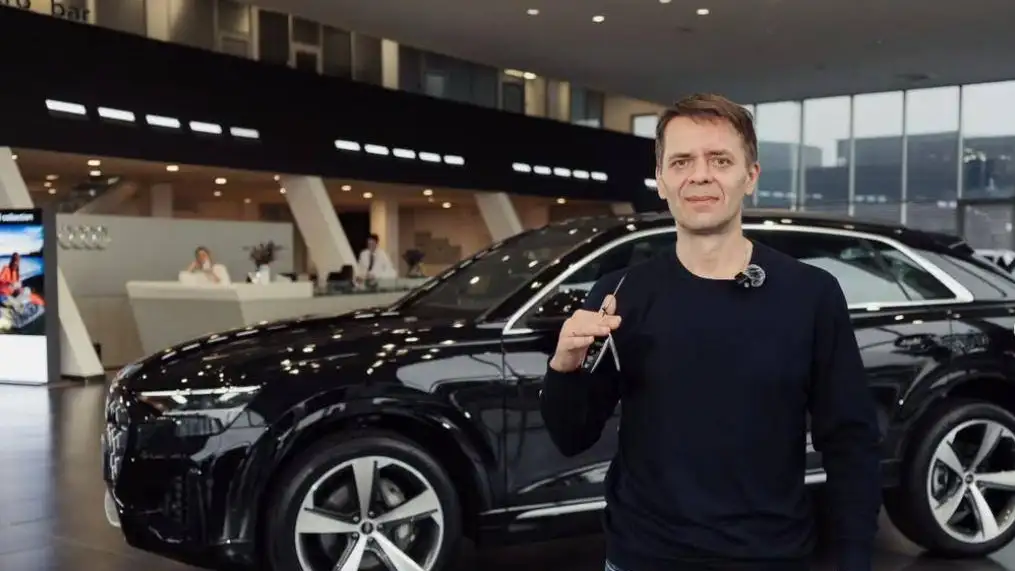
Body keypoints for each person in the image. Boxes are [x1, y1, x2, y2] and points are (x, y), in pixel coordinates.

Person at [540, 93, 881, 571]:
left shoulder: (811, 294)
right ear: (661, 180)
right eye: (681, 161)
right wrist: (564, 368)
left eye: (720, 160)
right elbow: (572, 436)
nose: (699, 175)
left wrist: (852, 558)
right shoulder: (619, 293)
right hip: (643, 557)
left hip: (771, 557)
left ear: (750, 176)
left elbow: (851, 442)